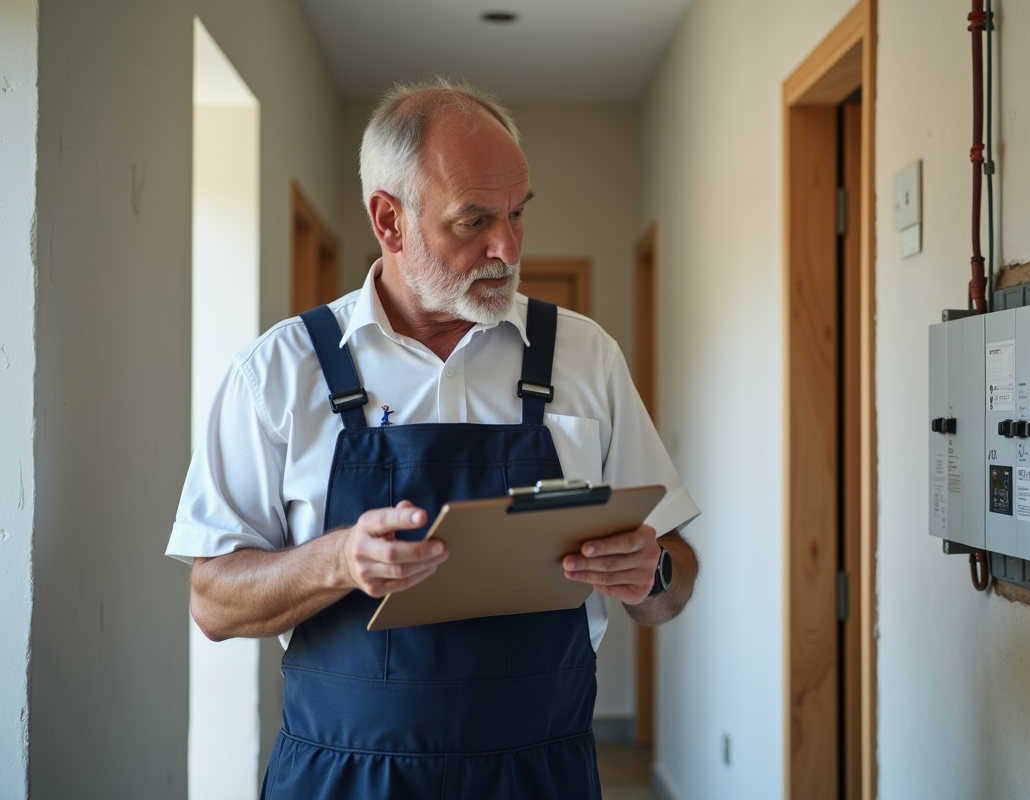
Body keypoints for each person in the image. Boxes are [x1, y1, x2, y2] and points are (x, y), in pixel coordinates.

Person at [168, 78, 699, 800]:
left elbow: (673, 580)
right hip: (344, 777)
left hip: (541, 775)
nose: (507, 247)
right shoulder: (278, 373)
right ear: (388, 220)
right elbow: (212, 604)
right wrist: (337, 561)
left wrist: (652, 574)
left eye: (517, 213)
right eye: (473, 220)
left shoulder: (586, 358)